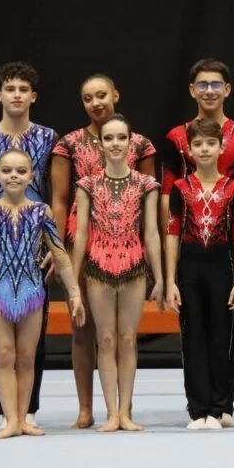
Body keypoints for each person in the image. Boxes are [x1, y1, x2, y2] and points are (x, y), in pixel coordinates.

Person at [52, 75, 156, 429]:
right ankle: (86, 408)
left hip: (128, 247)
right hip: (83, 244)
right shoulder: (69, 143)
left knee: (124, 335)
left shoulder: (140, 144)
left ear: (115, 95)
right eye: (87, 98)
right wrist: (57, 247)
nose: (96, 102)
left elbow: (148, 212)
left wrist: (150, 263)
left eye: (101, 96)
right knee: (85, 331)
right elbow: (60, 199)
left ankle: (123, 409)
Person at [159, 58, 234, 377]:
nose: (209, 91)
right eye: (202, 84)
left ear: (227, 90)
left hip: (231, 243)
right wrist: (168, 251)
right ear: (192, 90)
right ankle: (199, 401)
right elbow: (166, 194)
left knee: (228, 327)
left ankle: (223, 401)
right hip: (189, 243)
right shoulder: (176, 136)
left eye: (216, 84)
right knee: (194, 328)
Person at [0, 149, 85, 438]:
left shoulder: (41, 212)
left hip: (32, 291)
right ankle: (11, 419)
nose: (13, 175)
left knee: (26, 356)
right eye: (7, 170)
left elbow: (59, 254)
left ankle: (24, 418)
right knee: (3, 354)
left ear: (32, 176)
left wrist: (74, 292)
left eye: (20, 171)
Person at [71, 115, 163, 433]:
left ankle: (126, 412)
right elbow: (81, 233)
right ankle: (111, 413)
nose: (114, 144)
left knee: (127, 340)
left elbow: (151, 233)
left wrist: (161, 277)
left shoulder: (146, 184)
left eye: (120, 138)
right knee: (105, 338)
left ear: (130, 141)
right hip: (98, 269)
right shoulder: (88, 185)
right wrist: (72, 281)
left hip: (134, 267)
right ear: (100, 144)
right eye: (108, 138)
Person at [0, 62, 57, 433]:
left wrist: (54, 246)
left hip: (35, 239)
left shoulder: (47, 137)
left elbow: (56, 191)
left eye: (23, 89)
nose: (16, 95)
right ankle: (6, 411)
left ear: (33, 97)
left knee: (31, 337)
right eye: (9, 88)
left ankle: (28, 409)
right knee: (0, 343)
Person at [164, 118, 234, 429]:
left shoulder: (233, 188)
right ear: (188, 149)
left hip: (221, 267)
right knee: (193, 337)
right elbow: (173, 231)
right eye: (198, 144)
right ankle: (198, 407)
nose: (204, 149)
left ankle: (219, 405)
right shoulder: (180, 188)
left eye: (210, 144)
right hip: (189, 267)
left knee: (222, 336)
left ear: (221, 147)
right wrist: (171, 279)